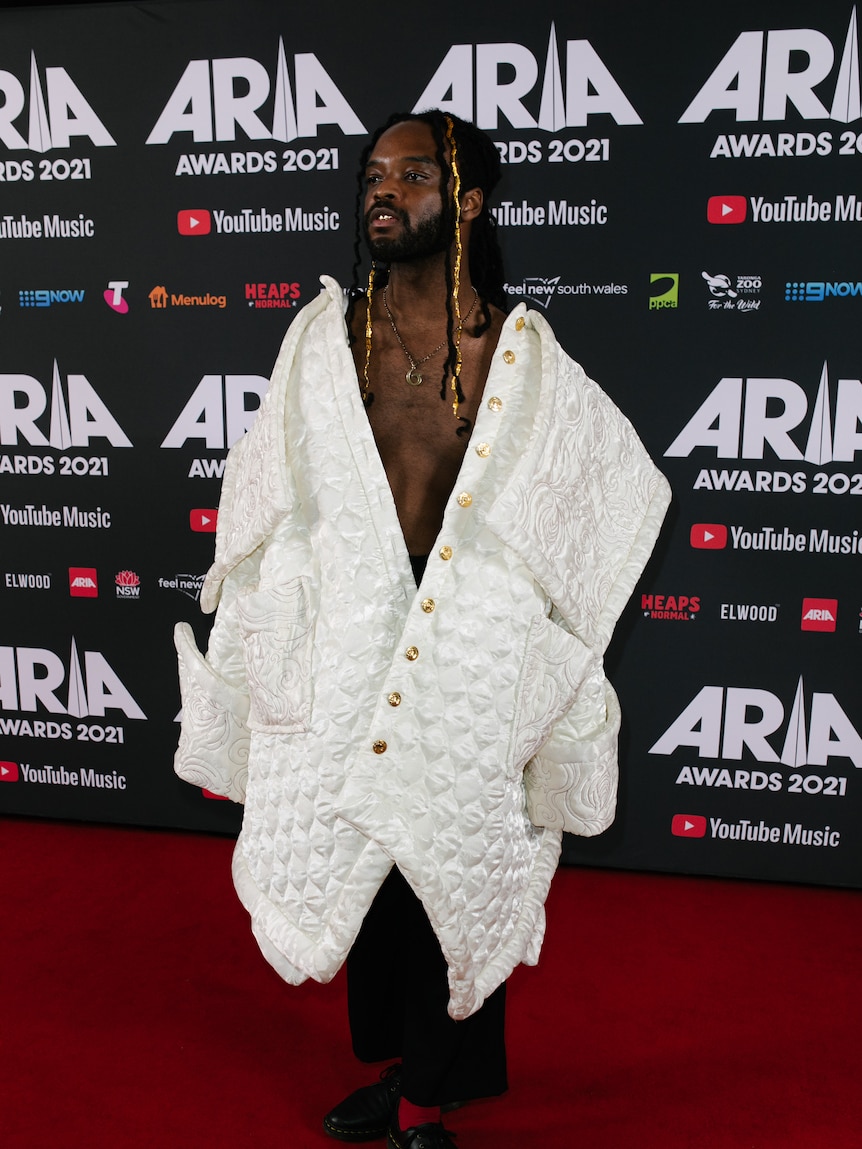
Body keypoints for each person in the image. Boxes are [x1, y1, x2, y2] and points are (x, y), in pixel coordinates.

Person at [173, 109, 670, 1149]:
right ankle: (407, 1070)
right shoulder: (323, 338)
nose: (382, 192)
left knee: (461, 859)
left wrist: (545, 647)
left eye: (411, 174)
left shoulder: (517, 352)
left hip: (466, 644)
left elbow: (609, 497)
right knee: (372, 863)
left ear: (470, 201)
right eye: (371, 175)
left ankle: (422, 1104)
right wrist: (254, 645)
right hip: (348, 631)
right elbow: (266, 495)